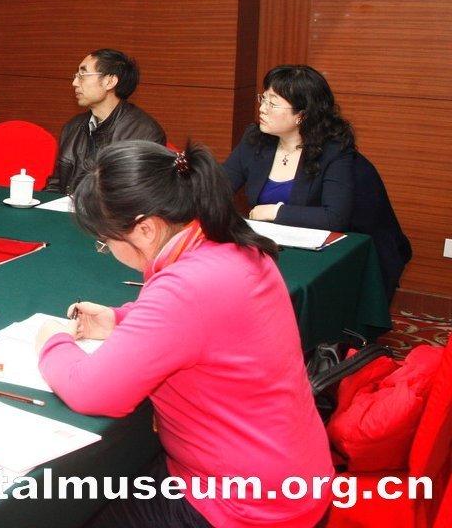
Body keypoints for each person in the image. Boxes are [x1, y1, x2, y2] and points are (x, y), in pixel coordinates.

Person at [37, 141, 332, 527]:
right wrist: (119, 320)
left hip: (243, 506)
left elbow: (91, 391)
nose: (107, 249)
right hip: (295, 479)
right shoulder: (235, 247)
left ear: (145, 229)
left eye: (106, 241)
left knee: (68, 510)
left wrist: (52, 342)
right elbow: (204, 328)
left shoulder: (185, 285)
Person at [223, 64, 354, 230]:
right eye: (264, 99)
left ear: (302, 115)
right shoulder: (255, 138)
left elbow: (335, 218)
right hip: (264, 239)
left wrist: (276, 212)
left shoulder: (334, 151)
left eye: (272, 104)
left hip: (309, 243)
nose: (262, 109)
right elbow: (218, 187)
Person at [45, 49, 166, 194]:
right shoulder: (73, 127)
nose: (74, 83)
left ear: (109, 81)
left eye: (83, 75)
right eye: (76, 76)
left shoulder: (145, 134)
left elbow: (138, 198)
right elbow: (55, 186)